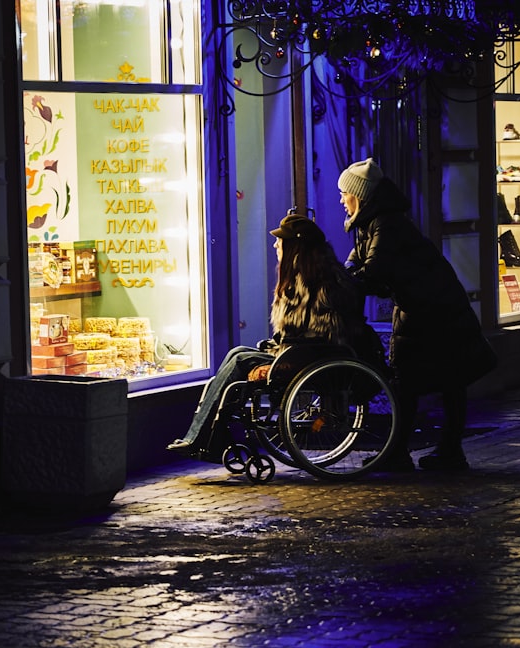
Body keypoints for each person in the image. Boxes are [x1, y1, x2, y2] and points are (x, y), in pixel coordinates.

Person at [168, 213, 372, 461]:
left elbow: (318, 331)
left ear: (296, 247)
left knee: (239, 361)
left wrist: (279, 348)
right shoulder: (312, 276)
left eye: (281, 240)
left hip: (310, 356)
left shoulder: (313, 283)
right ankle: (207, 437)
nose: (276, 244)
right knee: (237, 353)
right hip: (304, 352)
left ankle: (201, 438)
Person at [337, 158, 497, 472]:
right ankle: (427, 452)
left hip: (433, 311)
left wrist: (349, 281)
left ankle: (429, 453)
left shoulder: (386, 224)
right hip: (425, 307)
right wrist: (347, 276)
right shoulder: (372, 223)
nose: (341, 200)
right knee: (428, 381)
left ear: (361, 195)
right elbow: (357, 265)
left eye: (345, 193)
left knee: (431, 381)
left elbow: (374, 270)